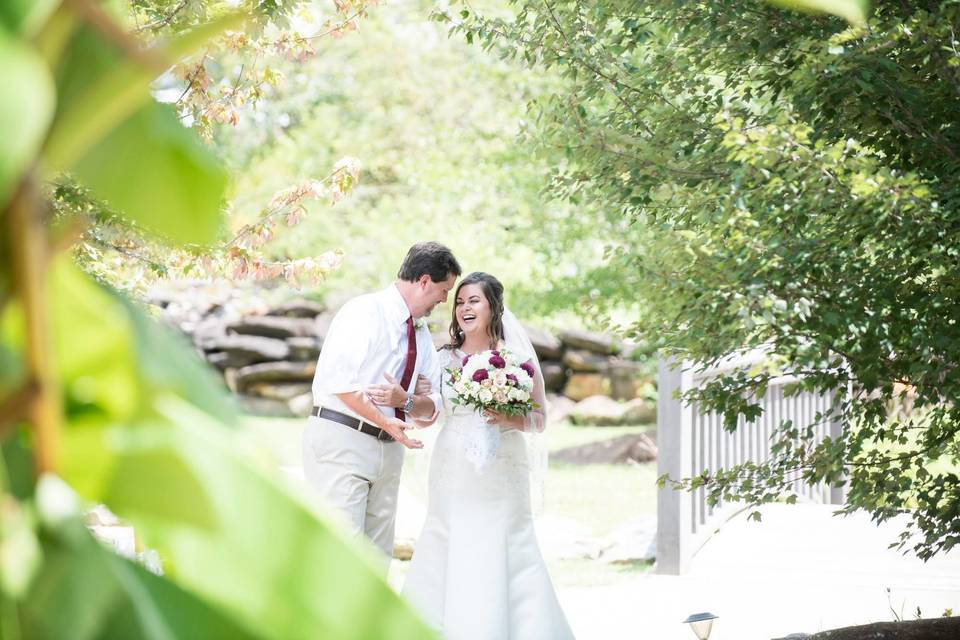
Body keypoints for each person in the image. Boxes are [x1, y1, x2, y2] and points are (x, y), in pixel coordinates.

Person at [402, 271, 576, 639]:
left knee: (506, 541)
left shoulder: (515, 358)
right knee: (446, 537)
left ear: (493, 306)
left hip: (503, 469)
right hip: (453, 465)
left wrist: (507, 417)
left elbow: (539, 418)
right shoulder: (443, 357)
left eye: (473, 300)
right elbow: (428, 413)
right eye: (460, 301)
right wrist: (406, 402)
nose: (464, 308)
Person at [302, 241, 461, 558]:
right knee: (340, 551)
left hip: (389, 452)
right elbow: (341, 383)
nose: (445, 300)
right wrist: (386, 418)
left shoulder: (421, 332)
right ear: (424, 281)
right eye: (444, 290)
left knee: (377, 554)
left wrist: (410, 402)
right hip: (344, 441)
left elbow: (433, 403)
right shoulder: (364, 312)